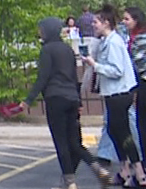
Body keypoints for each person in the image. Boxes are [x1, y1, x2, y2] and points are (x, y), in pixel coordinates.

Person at [19, 17, 111, 189]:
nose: (40, 32)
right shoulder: (67, 49)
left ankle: (70, 183)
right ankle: (98, 168)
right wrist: (79, 101)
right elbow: (74, 77)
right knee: (75, 143)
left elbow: (43, 78)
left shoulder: (47, 50)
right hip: (72, 98)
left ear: (47, 31)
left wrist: (28, 100)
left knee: (61, 142)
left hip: (56, 98)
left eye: (41, 29)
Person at [83, 7, 146, 188]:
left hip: (120, 93)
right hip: (112, 93)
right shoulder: (106, 42)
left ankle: (140, 174)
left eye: (96, 22)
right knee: (114, 132)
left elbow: (117, 70)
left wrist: (95, 65)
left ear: (106, 23)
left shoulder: (113, 43)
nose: (93, 25)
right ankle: (125, 170)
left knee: (123, 134)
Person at [121, 7, 146, 182]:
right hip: (144, 86)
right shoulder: (136, 37)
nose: (124, 22)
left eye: (127, 19)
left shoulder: (143, 39)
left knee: (145, 127)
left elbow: (137, 64)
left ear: (136, 20)